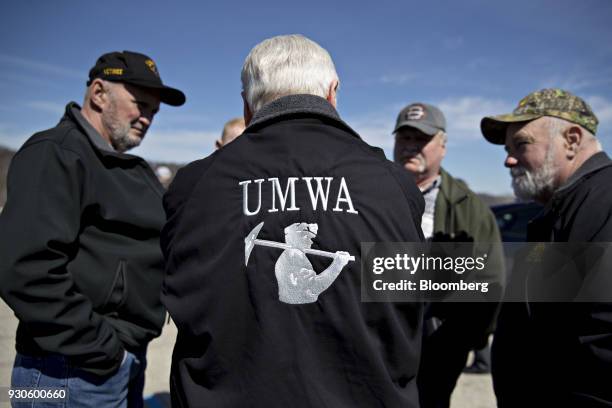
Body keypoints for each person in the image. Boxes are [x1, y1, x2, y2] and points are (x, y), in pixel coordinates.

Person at [162, 34, 425, 407]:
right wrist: (338, 266)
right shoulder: (393, 185)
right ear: (333, 93)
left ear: (247, 104)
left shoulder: (193, 187)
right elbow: (406, 306)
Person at [0, 50, 185, 407]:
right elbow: (25, 269)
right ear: (99, 93)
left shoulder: (126, 168)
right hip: (67, 369)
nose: (147, 117)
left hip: (116, 361)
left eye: (153, 111)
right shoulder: (56, 153)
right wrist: (102, 348)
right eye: (139, 104)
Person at [481, 88, 612, 407]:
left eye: (522, 144)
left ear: (571, 140)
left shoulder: (602, 204)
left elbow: (602, 342)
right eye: (508, 148)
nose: (508, 159)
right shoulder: (562, 209)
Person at [393, 103, 504, 407]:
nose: (411, 147)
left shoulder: (470, 208)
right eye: (405, 138)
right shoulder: (370, 194)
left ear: (442, 147)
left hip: (438, 346)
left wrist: (461, 341)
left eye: (422, 140)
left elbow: (489, 281)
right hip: (379, 340)